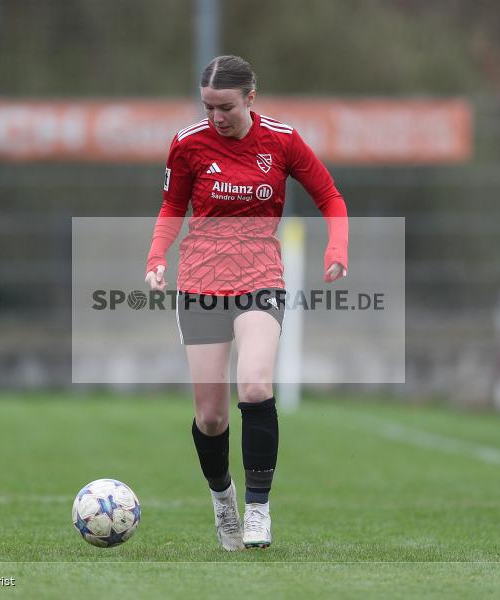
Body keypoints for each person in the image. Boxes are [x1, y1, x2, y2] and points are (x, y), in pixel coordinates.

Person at [145, 55, 348, 550]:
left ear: (250, 98)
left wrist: (337, 248)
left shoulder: (282, 140)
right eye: (208, 107)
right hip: (201, 281)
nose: (216, 117)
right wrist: (156, 256)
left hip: (260, 275)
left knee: (255, 386)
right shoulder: (187, 143)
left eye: (226, 107)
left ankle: (258, 508)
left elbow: (330, 197)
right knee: (211, 418)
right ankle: (223, 500)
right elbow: (172, 205)